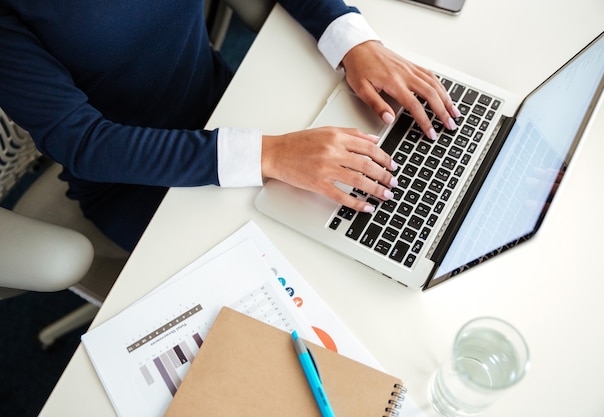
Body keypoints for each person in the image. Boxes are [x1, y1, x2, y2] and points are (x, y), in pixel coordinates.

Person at [0, 0, 460, 252]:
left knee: (386, 216)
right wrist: (270, 155)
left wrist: (353, 42)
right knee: (307, 266)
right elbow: (85, 143)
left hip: (227, 103)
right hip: (139, 183)